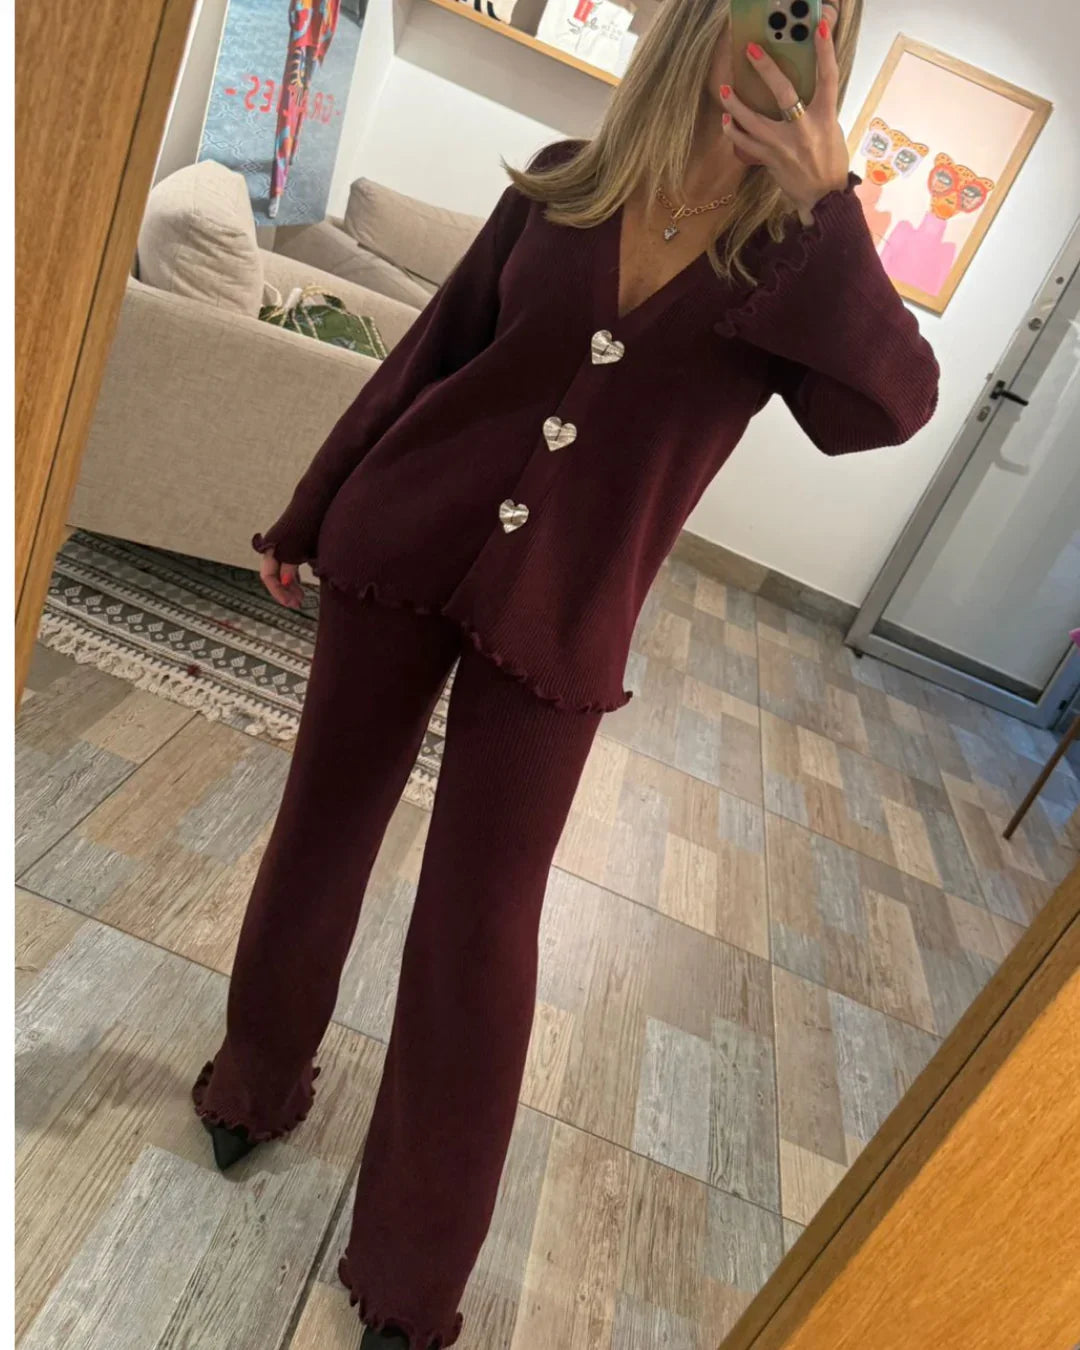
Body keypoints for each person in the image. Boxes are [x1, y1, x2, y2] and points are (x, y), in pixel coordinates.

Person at [193, 0, 938, 1344]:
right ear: (701, 24)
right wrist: (309, 511)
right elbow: (427, 361)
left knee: (481, 929)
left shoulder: (790, 268)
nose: (792, 41)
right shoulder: (561, 186)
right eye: (773, 11)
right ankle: (253, 1079)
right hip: (400, 540)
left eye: (822, 20)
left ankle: (412, 1271)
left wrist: (833, 209)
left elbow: (891, 409)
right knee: (321, 828)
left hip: (562, 621)